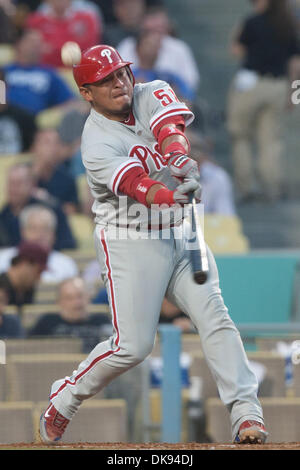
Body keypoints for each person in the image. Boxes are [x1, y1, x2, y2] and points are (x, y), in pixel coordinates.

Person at [39, 44, 267, 446]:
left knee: (215, 316)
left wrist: (180, 162)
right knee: (133, 347)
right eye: (106, 80)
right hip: (130, 239)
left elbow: (170, 131)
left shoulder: (152, 89)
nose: (119, 83)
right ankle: (65, 397)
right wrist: (169, 193)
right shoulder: (95, 142)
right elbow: (135, 185)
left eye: (122, 74)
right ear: (87, 93)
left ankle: (246, 413)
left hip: (178, 231)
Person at [227, 0, 300, 202]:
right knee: (270, 140)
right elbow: (296, 64)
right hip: (277, 86)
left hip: (251, 84)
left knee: (241, 136)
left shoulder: (251, 22)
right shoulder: (288, 25)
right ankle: (272, 187)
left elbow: (236, 49)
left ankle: (247, 186)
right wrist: (295, 94)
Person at [117, 6, 200, 94]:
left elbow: (190, 84)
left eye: (159, 29)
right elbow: (117, 79)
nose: (154, 37)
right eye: (151, 31)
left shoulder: (179, 48)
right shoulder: (128, 45)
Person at [0, 163, 77, 250]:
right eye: (11, 183)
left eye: (19, 183)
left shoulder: (50, 209)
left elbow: (68, 243)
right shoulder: (3, 214)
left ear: (32, 185)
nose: (14, 189)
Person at [29, 277, 112, 353]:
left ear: (88, 297)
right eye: (69, 298)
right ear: (59, 302)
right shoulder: (46, 322)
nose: (77, 302)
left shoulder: (102, 321)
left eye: (80, 296)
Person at [3, 28, 76, 116]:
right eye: (31, 42)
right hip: (6, 118)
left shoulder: (49, 74)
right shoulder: (5, 71)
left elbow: (71, 102)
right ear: (19, 44)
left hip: (34, 121)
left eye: (39, 43)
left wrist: (51, 116)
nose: (35, 46)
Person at [0, 204, 78, 283]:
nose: (39, 234)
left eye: (45, 229)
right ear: (22, 232)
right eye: (33, 228)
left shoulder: (66, 265)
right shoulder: (3, 260)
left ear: (54, 234)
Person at [26, 0, 103, 68]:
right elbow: (33, 51)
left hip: (79, 70)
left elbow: (89, 49)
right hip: (47, 71)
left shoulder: (86, 19)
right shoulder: (36, 21)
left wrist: (52, 49)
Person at [131, 29, 196, 103]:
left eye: (156, 46)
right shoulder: (128, 76)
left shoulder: (169, 77)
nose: (153, 49)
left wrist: (175, 95)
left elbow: (189, 98)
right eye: (148, 45)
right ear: (137, 49)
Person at [185, 130, 236, 215]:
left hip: (205, 227)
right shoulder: (163, 175)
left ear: (205, 154)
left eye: (197, 148)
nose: (193, 154)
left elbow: (225, 217)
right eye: (187, 149)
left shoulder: (218, 177)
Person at [31, 128, 80, 214]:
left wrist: (49, 200)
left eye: (56, 143)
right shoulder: (22, 174)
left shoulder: (68, 178)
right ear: (35, 147)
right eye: (47, 142)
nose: (52, 148)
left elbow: (71, 210)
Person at [0, 240, 49, 312]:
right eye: (38, 271)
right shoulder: (2, 287)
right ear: (24, 264)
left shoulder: (27, 290)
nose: (39, 278)